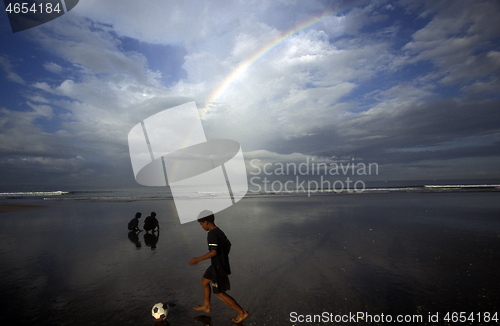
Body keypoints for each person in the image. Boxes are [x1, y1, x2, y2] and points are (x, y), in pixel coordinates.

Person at [188, 211, 248, 324]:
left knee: (220, 293)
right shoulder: (219, 231)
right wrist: (223, 256)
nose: (201, 227)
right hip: (216, 265)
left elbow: (213, 252)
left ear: (206, 222)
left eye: (201, 224)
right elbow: (228, 244)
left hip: (218, 267)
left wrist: (198, 259)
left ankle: (242, 312)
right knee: (205, 281)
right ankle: (206, 306)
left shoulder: (212, 234)